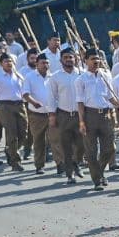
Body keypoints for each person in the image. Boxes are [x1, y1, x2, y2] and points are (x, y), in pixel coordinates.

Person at [75, 49, 117, 191]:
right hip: (89, 115)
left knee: (110, 148)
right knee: (91, 150)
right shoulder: (81, 80)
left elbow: (110, 96)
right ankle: (97, 180)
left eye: (98, 59)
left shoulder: (105, 76)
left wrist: (118, 104)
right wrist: (81, 122)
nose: (96, 61)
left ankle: (99, 171)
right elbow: (80, 102)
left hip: (105, 115)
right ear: (85, 61)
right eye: (93, 58)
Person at [46, 46, 83, 183]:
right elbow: (51, 97)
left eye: (71, 57)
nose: (68, 60)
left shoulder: (82, 74)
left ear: (76, 59)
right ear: (61, 60)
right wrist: (52, 115)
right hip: (64, 115)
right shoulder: (55, 77)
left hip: (80, 115)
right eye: (65, 57)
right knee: (66, 146)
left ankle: (76, 162)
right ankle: (70, 175)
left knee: (82, 144)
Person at [0, 52, 31, 172]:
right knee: (11, 134)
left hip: (20, 105)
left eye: (10, 61)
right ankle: (15, 162)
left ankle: (10, 150)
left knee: (24, 133)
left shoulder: (19, 76)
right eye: (6, 61)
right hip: (5, 107)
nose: (9, 63)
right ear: (1, 64)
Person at [23, 53, 53, 174]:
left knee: (56, 140)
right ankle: (39, 165)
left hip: (51, 114)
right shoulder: (30, 77)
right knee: (39, 140)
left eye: (47, 63)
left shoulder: (53, 77)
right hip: (36, 114)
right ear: (37, 64)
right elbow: (25, 93)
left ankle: (60, 163)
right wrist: (33, 102)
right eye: (42, 63)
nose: (45, 65)